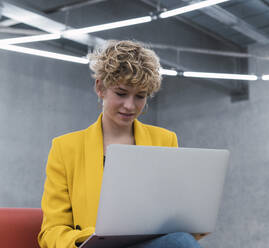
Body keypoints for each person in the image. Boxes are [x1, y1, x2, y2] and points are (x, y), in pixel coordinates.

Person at [38, 40, 206, 248]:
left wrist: (194, 217)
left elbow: (173, 214)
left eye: (140, 96)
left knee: (181, 241)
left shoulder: (164, 140)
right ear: (100, 87)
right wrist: (92, 237)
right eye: (121, 93)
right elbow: (51, 231)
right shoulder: (65, 148)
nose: (130, 105)